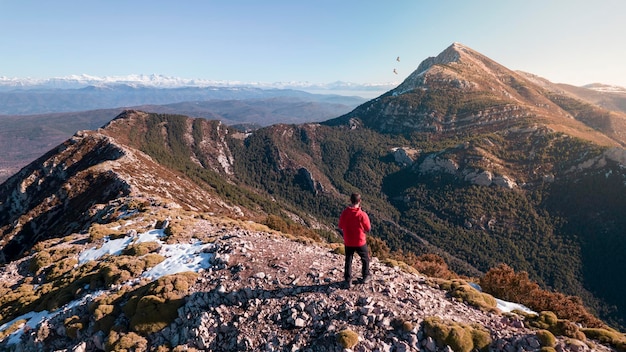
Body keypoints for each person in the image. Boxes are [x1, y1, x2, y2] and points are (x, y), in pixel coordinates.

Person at [338, 193, 371, 288]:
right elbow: (368, 228)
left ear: (350, 200)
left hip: (348, 241)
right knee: (365, 258)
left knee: (348, 259)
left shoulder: (345, 213)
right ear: (359, 201)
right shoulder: (362, 215)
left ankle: (348, 280)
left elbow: (340, 226)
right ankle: (366, 276)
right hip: (360, 241)